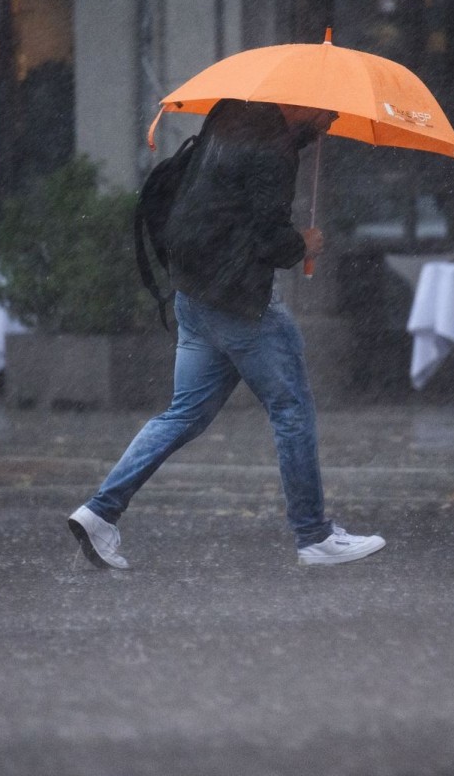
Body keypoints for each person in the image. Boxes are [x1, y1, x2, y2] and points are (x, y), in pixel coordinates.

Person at [67, 99, 387, 569]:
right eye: (329, 113)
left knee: (182, 415)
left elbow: (219, 206)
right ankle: (314, 535)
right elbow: (268, 239)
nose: (333, 122)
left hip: (194, 296)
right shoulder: (275, 150)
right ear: (304, 106)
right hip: (241, 305)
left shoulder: (229, 117)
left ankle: (99, 512)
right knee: (291, 410)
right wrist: (304, 243)